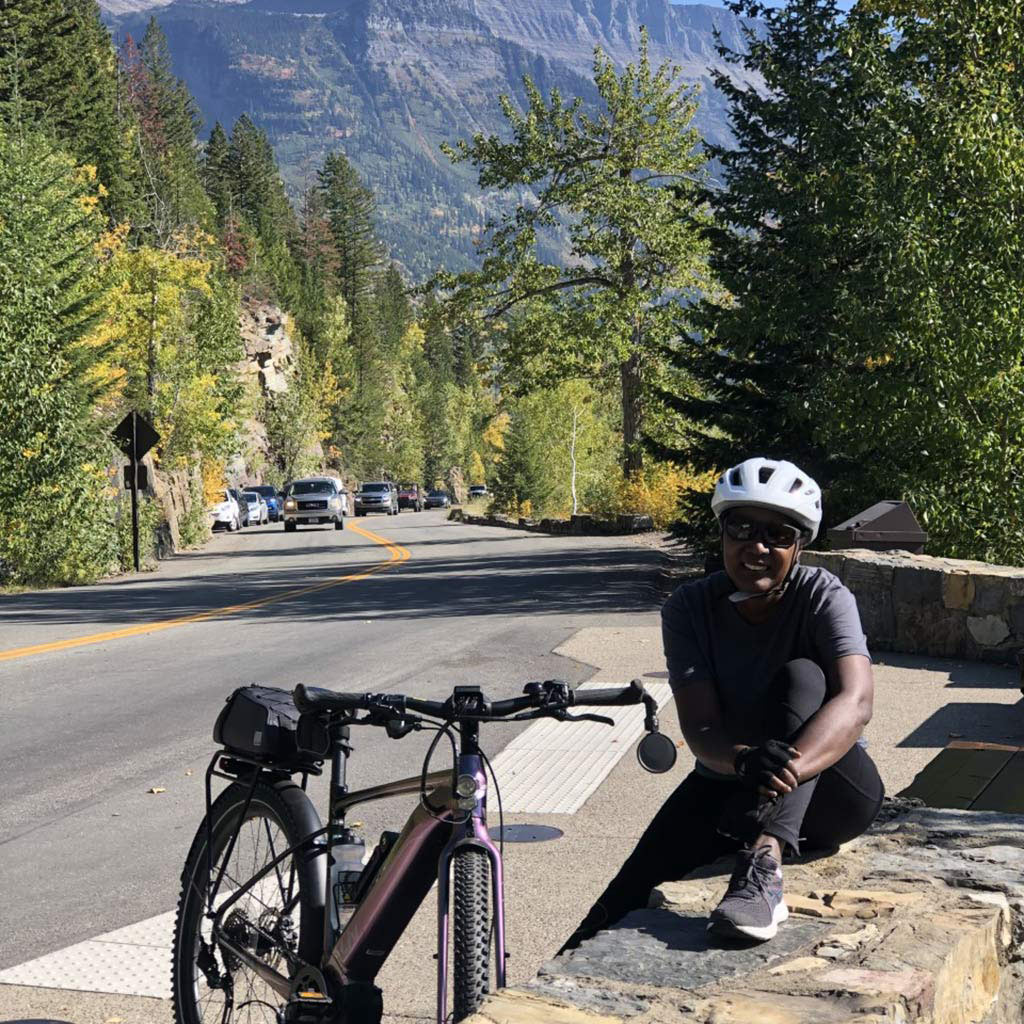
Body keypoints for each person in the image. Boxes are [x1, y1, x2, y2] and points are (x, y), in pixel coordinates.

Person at [562, 456, 885, 947]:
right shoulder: (689, 607)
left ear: (798, 546)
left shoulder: (823, 594)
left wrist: (783, 770)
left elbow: (856, 699)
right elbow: (702, 727)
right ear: (722, 532)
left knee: (801, 676)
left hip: (832, 794)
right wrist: (742, 760)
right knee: (615, 904)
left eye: (778, 534)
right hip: (734, 781)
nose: (757, 546)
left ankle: (764, 864)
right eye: (743, 527)